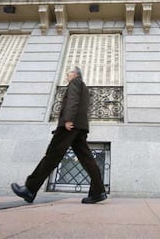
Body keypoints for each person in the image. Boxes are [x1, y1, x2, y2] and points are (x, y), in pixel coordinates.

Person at [11, 66, 107, 204]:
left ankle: (30, 189)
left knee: (52, 155)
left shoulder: (75, 82)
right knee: (87, 158)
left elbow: (72, 100)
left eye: (68, 74)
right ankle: (98, 192)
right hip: (79, 127)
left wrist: (68, 119)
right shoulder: (84, 87)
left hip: (69, 126)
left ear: (74, 74)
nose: (67, 77)